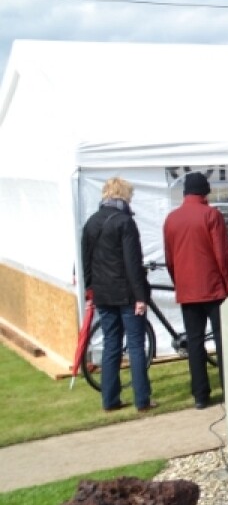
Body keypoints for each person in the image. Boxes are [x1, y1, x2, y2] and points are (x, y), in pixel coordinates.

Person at [163, 172, 228, 410]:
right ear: (204, 192)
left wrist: (179, 282)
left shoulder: (171, 219)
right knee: (223, 339)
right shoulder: (211, 215)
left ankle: (200, 395)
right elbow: (222, 254)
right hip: (214, 288)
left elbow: (170, 259)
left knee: (194, 343)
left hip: (188, 289)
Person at [80, 177, 155, 413]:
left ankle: (109, 400)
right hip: (126, 293)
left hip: (103, 293)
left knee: (111, 345)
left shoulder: (91, 222)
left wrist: (90, 289)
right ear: (124, 196)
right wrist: (141, 296)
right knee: (135, 345)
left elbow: (86, 263)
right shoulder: (125, 222)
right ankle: (142, 399)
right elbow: (133, 264)